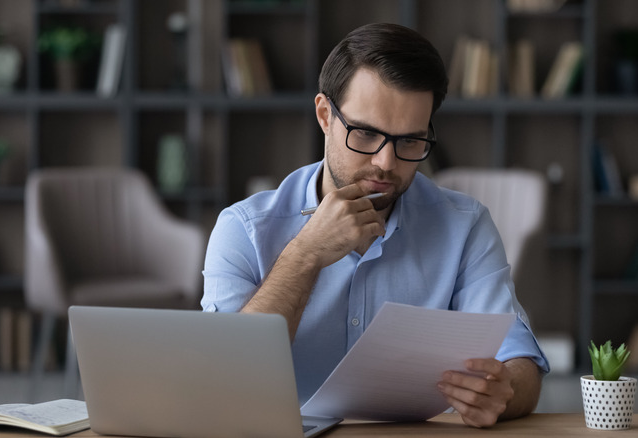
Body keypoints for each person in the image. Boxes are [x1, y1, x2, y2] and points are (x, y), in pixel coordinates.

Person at [202, 22, 549, 428]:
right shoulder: (243, 228)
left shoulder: (465, 227)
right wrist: (306, 253)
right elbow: (222, 380)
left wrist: (502, 392)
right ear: (325, 116)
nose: (386, 162)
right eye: (365, 134)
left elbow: (520, 363)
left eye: (410, 141)